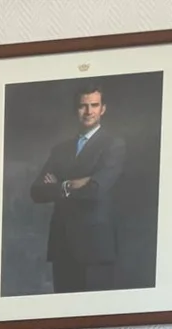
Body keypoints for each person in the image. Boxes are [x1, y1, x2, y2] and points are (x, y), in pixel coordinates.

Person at [28, 85, 126, 293]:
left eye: (94, 105)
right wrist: (70, 184)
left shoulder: (113, 145)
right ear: (76, 110)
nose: (89, 111)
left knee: (96, 318)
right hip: (62, 245)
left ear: (103, 109)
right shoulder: (60, 149)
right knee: (63, 316)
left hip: (95, 248)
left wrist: (58, 185)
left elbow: (96, 189)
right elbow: (36, 191)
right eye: (83, 106)